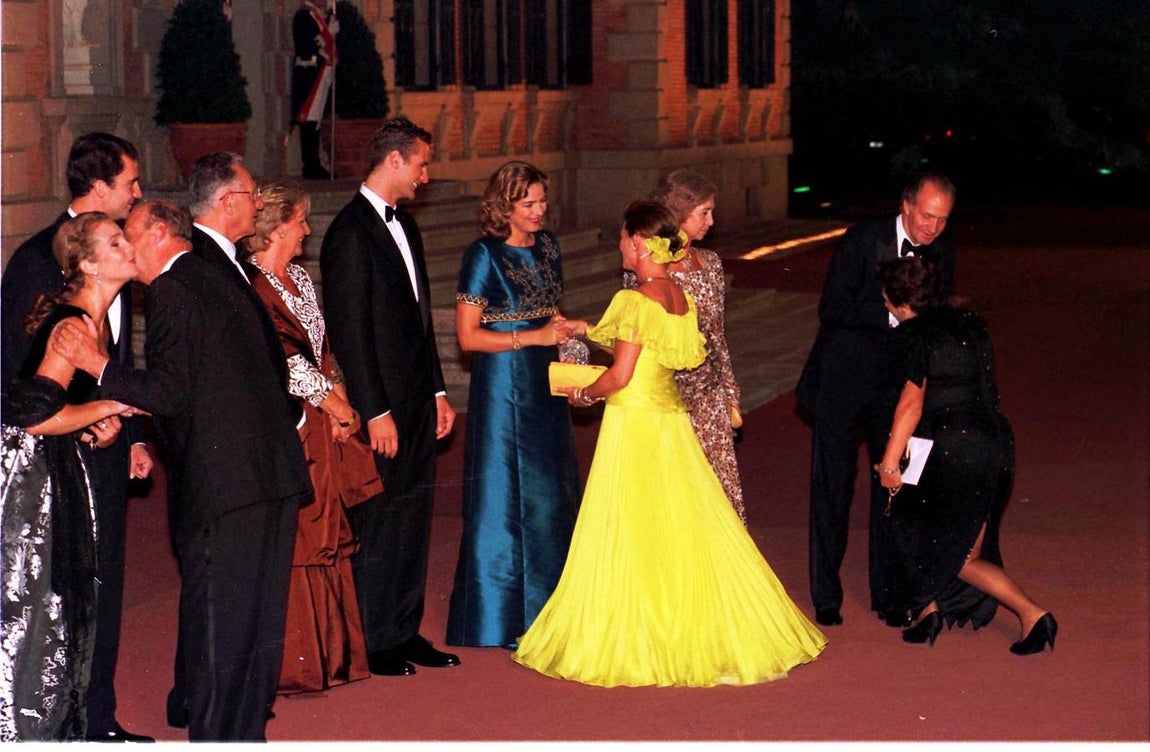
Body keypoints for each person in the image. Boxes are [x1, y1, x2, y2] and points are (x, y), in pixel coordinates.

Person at [512, 201, 826, 687]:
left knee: (629, 528)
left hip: (634, 425)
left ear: (638, 242)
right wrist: (583, 329)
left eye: (621, 237)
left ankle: (641, 634)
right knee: (684, 525)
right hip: (670, 422)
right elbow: (648, 348)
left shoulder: (634, 299)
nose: (619, 245)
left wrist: (583, 392)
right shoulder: (678, 295)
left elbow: (619, 374)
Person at [52, 200, 313, 741]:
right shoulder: (214, 275)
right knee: (253, 627)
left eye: (129, 235)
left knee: (220, 633)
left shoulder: (173, 289)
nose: (127, 248)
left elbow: (170, 392)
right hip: (269, 476)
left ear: (158, 233)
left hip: (226, 488)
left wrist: (98, 366)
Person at [0, 132, 154, 742]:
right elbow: (24, 383)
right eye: (130, 184)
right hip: (49, 461)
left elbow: (112, 356)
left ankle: (94, 717)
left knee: (96, 588)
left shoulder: (109, 277)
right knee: (51, 597)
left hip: (98, 446)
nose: (138, 196)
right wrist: (100, 409)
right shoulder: (41, 260)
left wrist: (128, 427)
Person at [320, 116, 460, 677]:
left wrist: (438, 390)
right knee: (381, 520)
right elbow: (351, 333)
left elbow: (421, 323)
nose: (426, 176)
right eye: (422, 163)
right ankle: (373, 639)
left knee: (414, 515)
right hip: (383, 407)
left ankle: (404, 630)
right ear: (394, 160)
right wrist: (375, 411)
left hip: (417, 399)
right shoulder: (349, 233)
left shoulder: (410, 227)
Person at [795, 173, 956, 628]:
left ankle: (889, 595)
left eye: (943, 220)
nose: (933, 228)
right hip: (842, 383)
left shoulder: (942, 254)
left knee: (895, 486)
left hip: (896, 388)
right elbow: (832, 308)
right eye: (927, 216)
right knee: (832, 488)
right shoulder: (863, 240)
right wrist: (894, 311)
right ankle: (826, 595)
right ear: (906, 206)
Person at [874, 256, 1056, 654]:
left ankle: (1032, 614)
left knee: (942, 544)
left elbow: (910, 405)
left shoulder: (912, 335)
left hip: (952, 447)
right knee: (949, 540)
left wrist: (889, 465)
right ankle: (929, 612)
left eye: (886, 297)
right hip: (994, 441)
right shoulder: (971, 324)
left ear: (896, 300)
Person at [244, 180, 380, 693]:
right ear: (277, 227)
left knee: (330, 526)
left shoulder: (300, 276)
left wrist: (345, 404)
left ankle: (333, 655)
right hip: (293, 421)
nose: (306, 229)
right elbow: (286, 361)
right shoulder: (255, 285)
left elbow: (321, 350)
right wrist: (334, 404)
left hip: (324, 411)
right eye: (300, 221)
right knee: (305, 529)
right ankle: (296, 663)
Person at [445, 161, 580, 648]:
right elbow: (467, 337)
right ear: (504, 206)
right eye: (529, 204)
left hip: (547, 381)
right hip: (504, 385)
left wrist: (565, 334)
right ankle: (502, 619)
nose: (540, 211)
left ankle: (554, 611)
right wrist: (533, 337)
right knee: (505, 494)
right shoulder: (482, 255)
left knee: (551, 491)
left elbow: (551, 309)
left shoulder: (549, 247)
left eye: (542, 201)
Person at [641, 168, 746, 522]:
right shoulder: (652, 268)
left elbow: (718, 335)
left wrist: (730, 393)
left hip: (711, 398)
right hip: (672, 399)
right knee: (678, 499)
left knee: (719, 496)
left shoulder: (712, 263)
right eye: (705, 212)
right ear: (679, 214)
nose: (712, 221)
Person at [292, 0, 338, 179]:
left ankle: (315, 162)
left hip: (320, 72)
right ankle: (310, 165)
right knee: (309, 119)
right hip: (309, 74)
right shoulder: (304, 16)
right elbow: (307, 45)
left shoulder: (318, 16)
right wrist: (327, 34)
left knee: (316, 120)